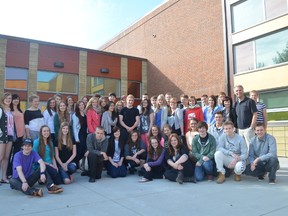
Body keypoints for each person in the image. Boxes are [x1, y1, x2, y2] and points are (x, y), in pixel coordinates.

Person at [7, 94, 25, 178]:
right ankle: (8, 173)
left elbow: (23, 123)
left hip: (20, 136)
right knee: (8, 155)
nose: (16, 101)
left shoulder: (21, 111)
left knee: (16, 155)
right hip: (12, 136)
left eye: (17, 99)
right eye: (14, 99)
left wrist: (24, 134)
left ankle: (14, 173)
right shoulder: (9, 110)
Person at [0, 92, 14, 184]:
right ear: (3, 99)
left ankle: (4, 177)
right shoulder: (0, 109)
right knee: (0, 156)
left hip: (10, 135)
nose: (8, 100)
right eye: (6, 98)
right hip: (2, 135)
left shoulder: (10, 110)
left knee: (6, 157)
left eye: (9, 98)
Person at [72, 100, 88, 170]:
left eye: (82, 105)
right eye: (80, 105)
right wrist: (76, 138)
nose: (81, 106)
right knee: (80, 150)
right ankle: (75, 164)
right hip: (79, 134)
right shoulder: (75, 115)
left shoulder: (85, 114)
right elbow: (74, 127)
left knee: (84, 149)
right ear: (78, 106)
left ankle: (81, 164)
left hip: (85, 134)